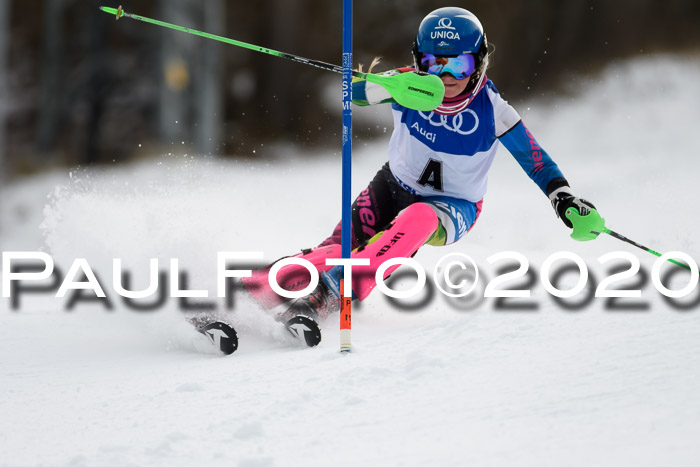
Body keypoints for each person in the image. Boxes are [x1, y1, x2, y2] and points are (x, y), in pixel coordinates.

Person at [241, 6, 597, 332]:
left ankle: (331, 294)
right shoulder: (408, 84)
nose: (445, 76)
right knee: (336, 251)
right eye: (433, 63)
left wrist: (563, 198)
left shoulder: (493, 109)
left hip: (452, 206)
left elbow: (536, 161)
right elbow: (351, 94)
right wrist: (388, 85)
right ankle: (249, 296)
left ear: (479, 64)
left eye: (460, 65)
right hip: (392, 185)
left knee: (419, 219)